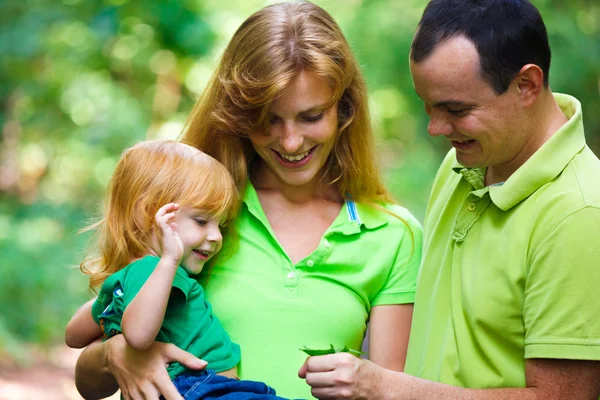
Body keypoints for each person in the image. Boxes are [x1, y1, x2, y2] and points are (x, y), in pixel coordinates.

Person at [70, 2, 423, 399]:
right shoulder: (200, 214)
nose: (290, 142)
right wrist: (115, 354)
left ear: (345, 111)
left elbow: (389, 389)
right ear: (238, 114)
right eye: (268, 119)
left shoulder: (394, 235)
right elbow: (88, 373)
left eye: (310, 117)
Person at [299, 0, 600, 398]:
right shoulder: (463, 163)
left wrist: (384, 387)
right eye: (428, 106)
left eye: (456, 109)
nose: (436, 128)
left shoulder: (579, 214)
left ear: (526, 85)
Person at [65, 140, 286, 399]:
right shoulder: (158, 269)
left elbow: (73, 335)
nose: (216, 236)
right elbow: (137, 336)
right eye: (202, 221)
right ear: (150, 214)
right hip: (198, 389)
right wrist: (169, 260)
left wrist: (107, 303)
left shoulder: (128, 282)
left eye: (221, 225)